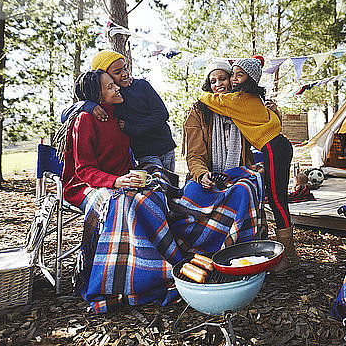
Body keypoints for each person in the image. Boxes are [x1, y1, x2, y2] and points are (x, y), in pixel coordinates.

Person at [56, 70, 265, 313]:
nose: (118, 87)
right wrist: (88, 105)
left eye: (115, 83)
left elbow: (158, 114)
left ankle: (170, 252)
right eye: (110, 86)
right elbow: (84, 168)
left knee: (156, 194)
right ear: (96, 95)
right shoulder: (86, 117)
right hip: (88, 184)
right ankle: (140, 271)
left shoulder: (119, 114)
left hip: (122, 176)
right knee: (126, 204)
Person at [198, 55, 299, 273]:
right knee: (276, 198)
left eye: (238, 75)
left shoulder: (238, 100)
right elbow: (272, 120)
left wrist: (203, 91)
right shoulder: (252, 98)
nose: (233, 79)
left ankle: (289, 257)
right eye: (232, 74)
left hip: (274, 148)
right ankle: (289, 255)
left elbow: (210, 100)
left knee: (277, 200)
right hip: (278, 146)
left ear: (249, 79)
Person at [61, 50, 176, 171]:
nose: (125, 73)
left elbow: (162, 114)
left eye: (125, 68)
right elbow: (65, 116)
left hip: (166, 146)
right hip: (146, 154)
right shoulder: (110, 99)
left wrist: (132, 128)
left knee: (170, 184)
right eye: (117, 72)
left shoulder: (141, 86)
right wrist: (88, 105)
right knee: (159, 184)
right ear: (105, 76)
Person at [183, 59, 254, 189]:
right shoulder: (198, 112)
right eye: (213, 81)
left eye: (222, 79)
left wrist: (274, 112)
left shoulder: (245, 106)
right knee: (192, 192)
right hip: (208, 174)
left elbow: (264, 136)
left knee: (244, 191)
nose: (218, 84)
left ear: (231, 81)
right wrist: (202, 174)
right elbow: (195, 154)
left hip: (240, 173)